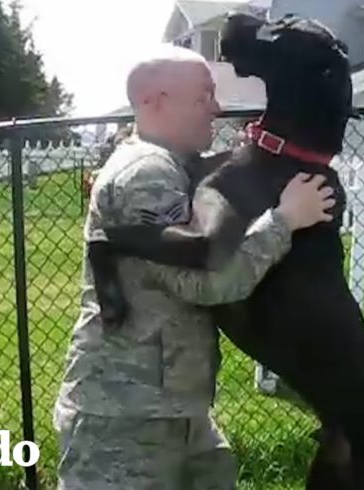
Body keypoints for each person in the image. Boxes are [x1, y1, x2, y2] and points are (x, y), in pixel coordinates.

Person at [53, 44, 335, 490]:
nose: (216, 108)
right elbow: (208, 282)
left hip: (171, 412)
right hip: (125, 420)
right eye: (203, 97)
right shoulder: (144, 173)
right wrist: (286, 220)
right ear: (154, 101)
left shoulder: (174, 167)